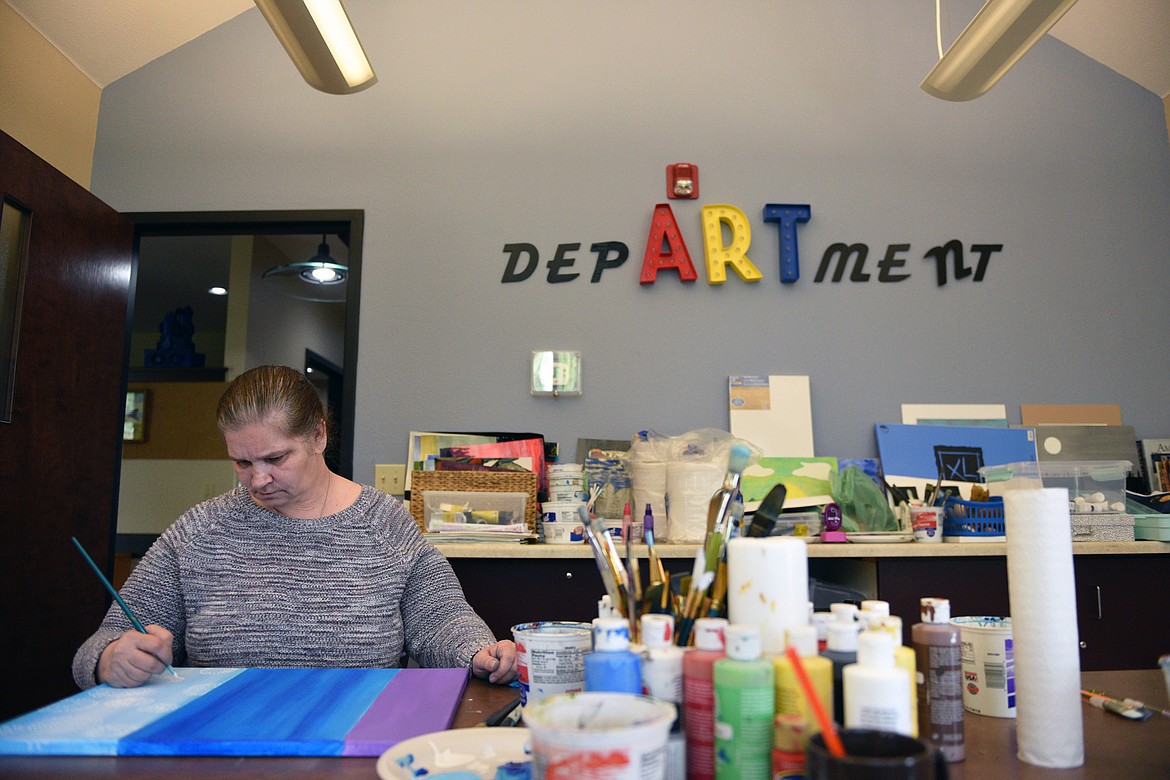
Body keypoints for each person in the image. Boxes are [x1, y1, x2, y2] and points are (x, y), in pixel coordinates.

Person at [73, 365, 517, 689]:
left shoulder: (384, 523)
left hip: (355, 737)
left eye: (275, 459)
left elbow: (441, 619)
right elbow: (105, 641)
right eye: (242, 462)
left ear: (319, 437)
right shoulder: (198, 532)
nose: (258, 479)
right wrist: (111, 660)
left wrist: (477, 652)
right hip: (221, 744)